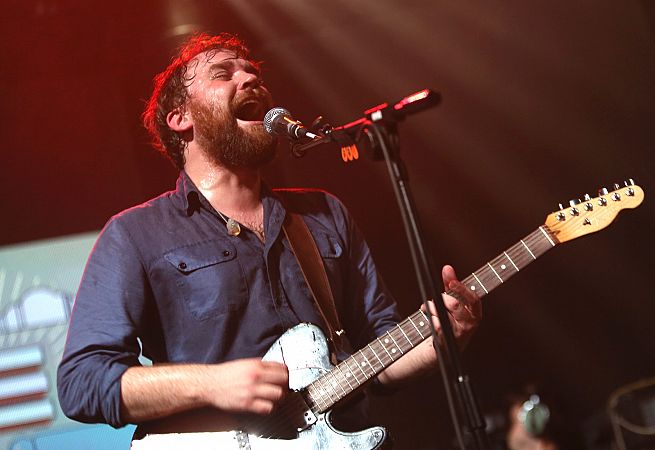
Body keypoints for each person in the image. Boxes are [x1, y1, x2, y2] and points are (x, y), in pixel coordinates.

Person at [56, 32, 481, 442]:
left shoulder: (324, 213)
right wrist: (212, 384)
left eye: (252, 72)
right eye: (223, 74)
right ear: (180, 119)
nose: (250, 79)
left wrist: (440, 340)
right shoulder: (136, 233)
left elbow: (378, 359)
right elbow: (83, 382)